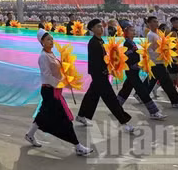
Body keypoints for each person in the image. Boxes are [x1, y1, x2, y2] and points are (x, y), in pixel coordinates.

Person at [25, 28, 93, 156]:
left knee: (42, 114)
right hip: (49, 90)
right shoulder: (43, 57)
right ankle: (77, 145)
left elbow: (58, 72)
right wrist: (62, 83)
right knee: (65, 118)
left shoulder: (52, 54)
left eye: (51, 39)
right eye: (48, 39)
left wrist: (66, 77)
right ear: (42, 42)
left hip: (54, 90)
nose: (51, 41)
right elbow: (47, 76)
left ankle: (30, 134)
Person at [75, 19, 136, 134]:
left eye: (101, 26)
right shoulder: (93, 43)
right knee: (111, 99)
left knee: (91, 96)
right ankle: (124, 122)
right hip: (99, 75)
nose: (101, 28)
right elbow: (96, 61)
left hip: (101, 73)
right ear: (92, 29)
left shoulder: (100, 41)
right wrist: (105, 68)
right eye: (98, 27)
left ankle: (81, 115)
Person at [115, 20, 166, 120]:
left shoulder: (132, 42)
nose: (134, 32)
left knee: (126, 90)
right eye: (131, 30)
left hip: (134, 71)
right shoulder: (127, 43)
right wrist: (135, 65)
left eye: (134, 30)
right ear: (126, 33)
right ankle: (154, 112)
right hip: (131, 71)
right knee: (142, 91)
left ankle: (115, 107)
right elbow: (126, 57)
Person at [143, 16, 178, 109]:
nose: (156, 23)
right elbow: (151, 50)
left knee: (158, 82)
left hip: (160, 62)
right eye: (154, 22)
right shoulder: (151, 35)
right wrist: (160, 57)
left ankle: (141, 95)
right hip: (156, 63)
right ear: (149, 24)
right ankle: (176, 102)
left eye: (157, 21)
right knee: (167, 83)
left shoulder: (157, 34)